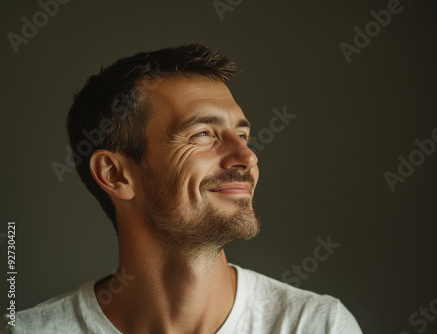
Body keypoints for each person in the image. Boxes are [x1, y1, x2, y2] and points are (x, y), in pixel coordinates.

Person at [1, 43, 363, 333]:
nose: (246, 157)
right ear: (115, 175)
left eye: (242, 135)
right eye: (202, 134)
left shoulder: (317, 325)